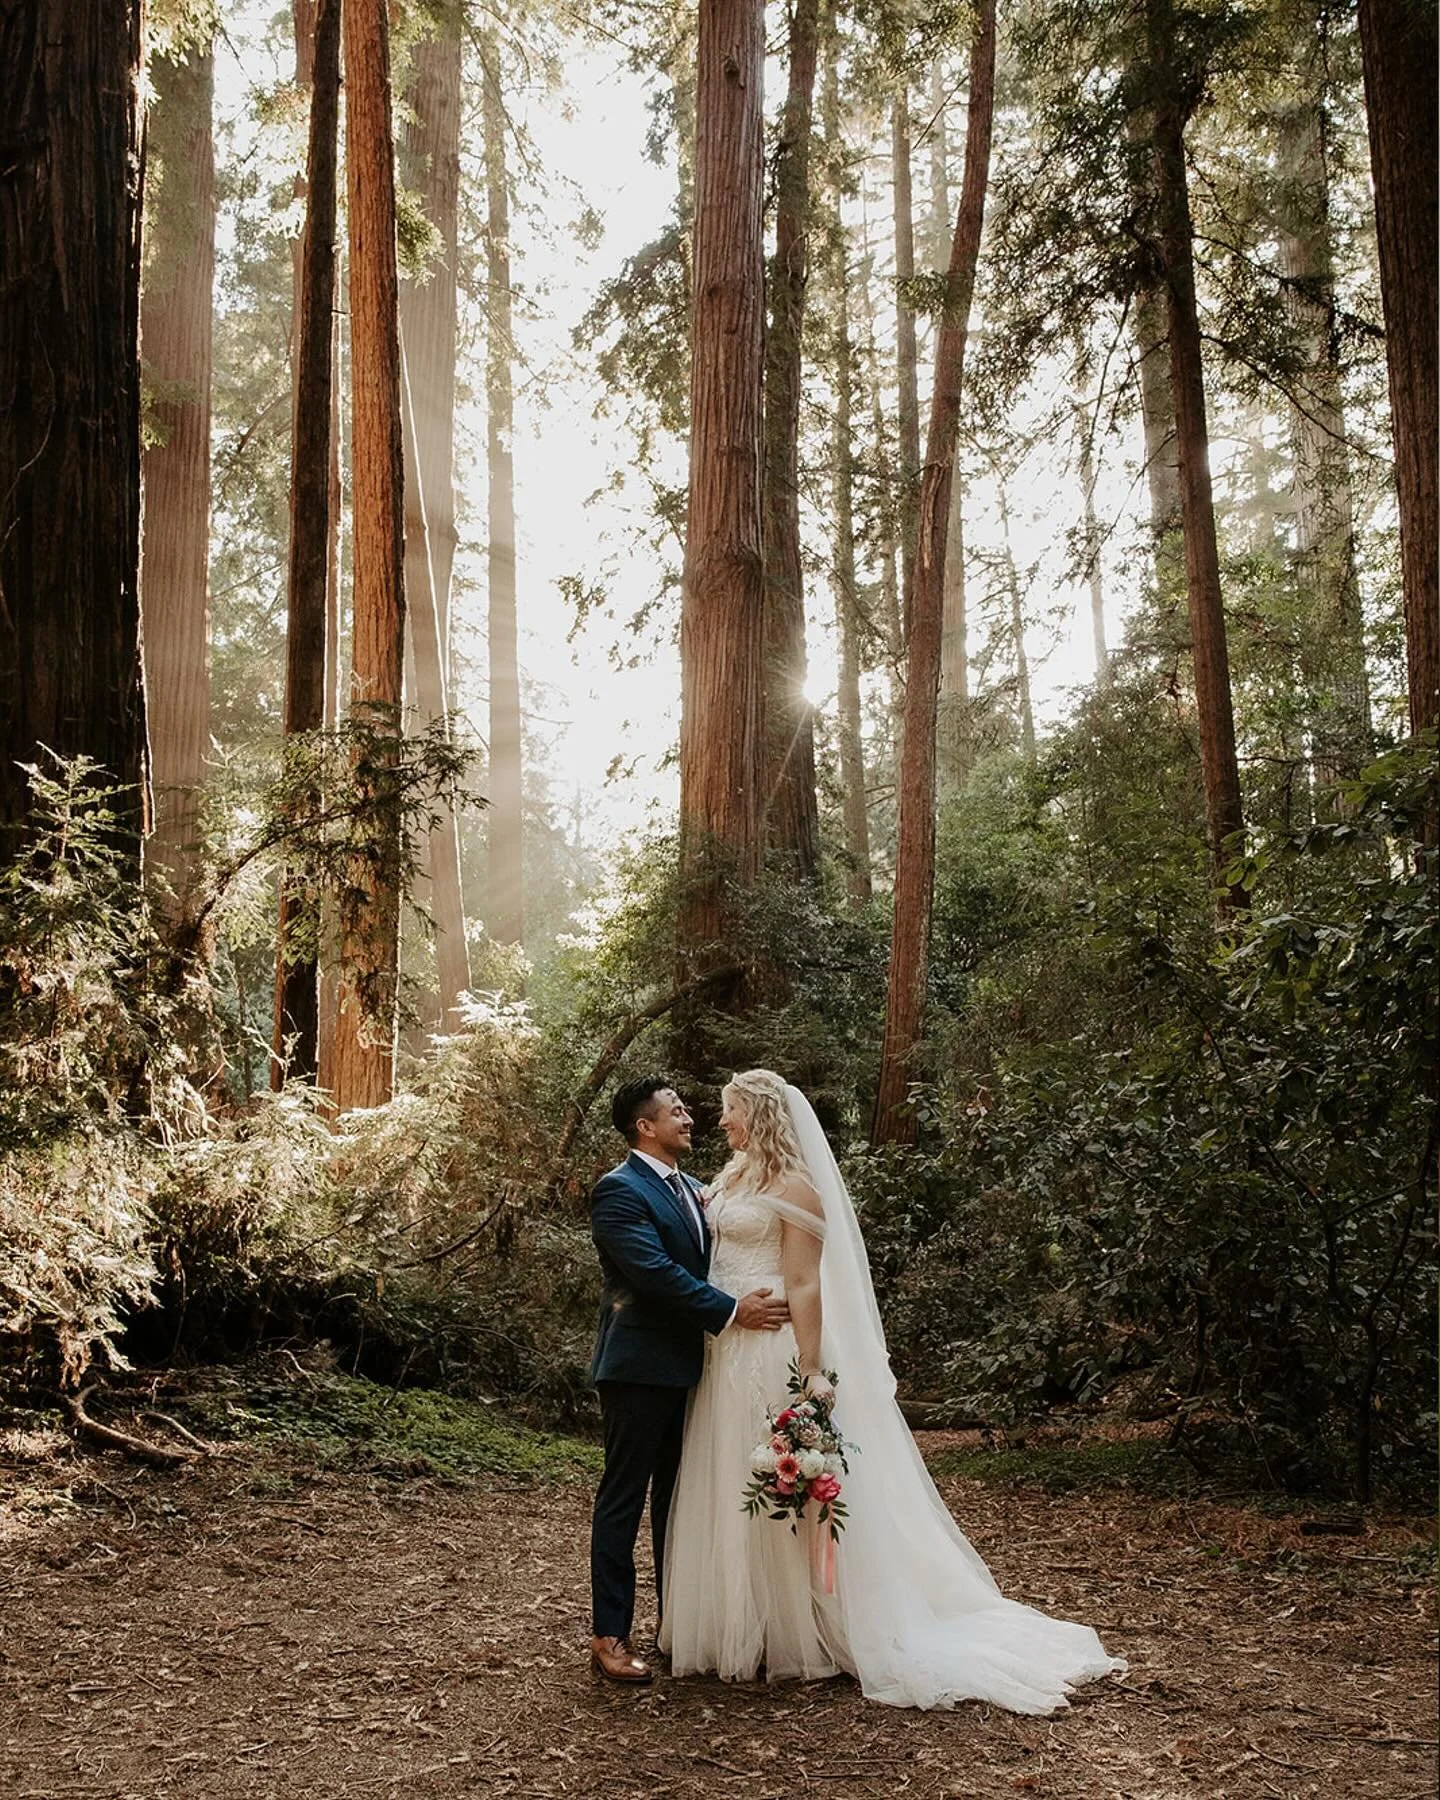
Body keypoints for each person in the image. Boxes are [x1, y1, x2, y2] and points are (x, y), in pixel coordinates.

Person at [659, 1069, 1127, 1715]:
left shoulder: (797, 1187)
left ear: (759, 1115)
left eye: (730, 1109)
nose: (721, 1120)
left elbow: (805, 1284)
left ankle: (805, 1626)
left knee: (779, 1488)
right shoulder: (731, 1178)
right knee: (727, 1482)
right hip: (726, 1347)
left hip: (770, 1352)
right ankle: (748, 1622)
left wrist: (813, 1370)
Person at [587, 1075, 791, 1685]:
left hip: (703, 1370)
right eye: (675, 1112)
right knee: (625, 1497)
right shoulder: (618, 1191)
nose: (690, 1118)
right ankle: (609, 1634)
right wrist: (734, 1313)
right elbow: (652, 1273)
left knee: (683, 1500)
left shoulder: (701, 1190)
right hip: (640, 1369)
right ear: (644, 1127)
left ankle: (680, 1624)